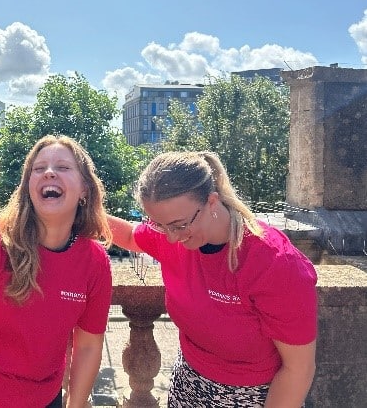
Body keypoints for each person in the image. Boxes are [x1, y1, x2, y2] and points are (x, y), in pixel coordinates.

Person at [109, 151, 317, 408]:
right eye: (160, 225)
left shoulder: (275, 263)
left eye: (179, 225)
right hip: (187, 384)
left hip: (253, 397)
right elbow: (130, 236)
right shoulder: (171, 232)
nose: (171, 238)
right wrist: (73, 213)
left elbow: (298, 370)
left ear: (212, 201)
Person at [0, 135, 113, 408]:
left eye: (63, 167)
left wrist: (75, 404)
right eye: (38, 169)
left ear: (85, 190)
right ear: (28, 186)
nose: (49, 172)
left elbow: (88, 346)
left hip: (44, 399)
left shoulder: (95, 262)